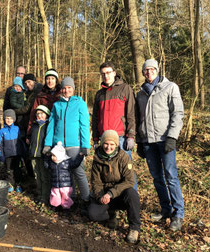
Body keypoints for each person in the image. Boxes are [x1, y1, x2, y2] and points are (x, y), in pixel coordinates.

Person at [136, 59, 185, 231]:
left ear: (157, 70)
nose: (149, 73)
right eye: (146, 70)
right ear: (143, 73)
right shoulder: (140, 93)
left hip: (165, 140)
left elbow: (178, 113)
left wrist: (172, 137)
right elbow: (139, 119)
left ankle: (178, 214)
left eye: (152, 69)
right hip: (149, 142)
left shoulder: (170, 87)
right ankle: (166, 209)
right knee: (157, 177)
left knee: (171, 176)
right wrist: (140, 141)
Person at [43, 77, 91, 205]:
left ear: (73, 89)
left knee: (79, 172)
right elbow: (51, 125)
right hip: (59, 146)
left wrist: (85, 145)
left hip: (75, 145)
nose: (66, 90)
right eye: (64, 88)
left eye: (69, 87)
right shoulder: (57, 105)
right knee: (64, 174)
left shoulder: (80, 103)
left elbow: (84, 125)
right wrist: (48, 144)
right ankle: (70, 200)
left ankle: (87, 199)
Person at [88, 130, 141, 244]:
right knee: (93, 214)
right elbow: (96, 182)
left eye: (112, 144)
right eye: (106, 144)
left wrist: (111, 193)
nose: (108, 147)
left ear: (116, 145)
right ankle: (111, 215)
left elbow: (129, 181)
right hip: (105, 194)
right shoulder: (97, 159)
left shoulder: (124, 158)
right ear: (102, 144)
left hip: (120, 193)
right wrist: (100, 196)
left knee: (132, 194)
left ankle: (134, 228)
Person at [92, 61, 138, 189]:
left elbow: (131, 114)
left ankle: (131, 199)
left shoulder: (125, 89)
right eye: (103, 74)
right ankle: (112, 200)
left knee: (126, 171)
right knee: (108, 172)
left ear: (114, 73)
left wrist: (131, 136)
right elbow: (95, 118)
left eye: (108, 73)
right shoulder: (99, 94)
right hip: (104, 140)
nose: (106, 76)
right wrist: (96, 139)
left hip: (121, 138)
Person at [44, 141, 84, 211]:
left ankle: (66, 207)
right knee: (55, 195)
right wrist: (46, 158)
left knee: (65, 197)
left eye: (54, 155)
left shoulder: (67, 162)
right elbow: (46, 166)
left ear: (59, 155)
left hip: (66, 185)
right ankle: (55, 205)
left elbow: (75, 164)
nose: (52, 157)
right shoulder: (52, 163)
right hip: (55, 185)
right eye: (52, 155)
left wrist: (80, 156)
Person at [27, 69, 62, 135]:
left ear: (56, 80)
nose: (50, 81)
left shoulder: (61, 95)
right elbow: (33, 114)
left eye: (52, 78)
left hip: (58, 128)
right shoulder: (40, 95)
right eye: (48, 79)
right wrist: (29, 133)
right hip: (43, 128)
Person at [28, 105, 51, 204]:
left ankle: (45, 196)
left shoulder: (48, 126)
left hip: (43, 155)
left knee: (44, 176)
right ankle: (39, 193)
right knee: (37, 175)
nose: (39, 116)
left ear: (46, 115)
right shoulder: (34, 126)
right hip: (33, 154)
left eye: (42, 114)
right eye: (37, 114)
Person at [0, 109, 23, 193]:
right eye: (7, 118)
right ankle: (10, 184)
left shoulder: (17, 129)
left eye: (11, 118)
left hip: (17, 154)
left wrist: (23, 152)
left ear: (14, 119)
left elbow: (20, 141)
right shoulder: (2, 131)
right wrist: (1, 155)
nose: (9, 120)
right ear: (4, 119)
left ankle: (18, 184)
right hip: (8, 155)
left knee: (17, 170)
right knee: (9, 171)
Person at [14, 73, 43, 138]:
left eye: (29, 82)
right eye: (25, 83)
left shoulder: (38, 92)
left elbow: (27, 108)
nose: (27, 84)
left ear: (34, 81)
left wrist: (14, 111)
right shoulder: (28, 92)